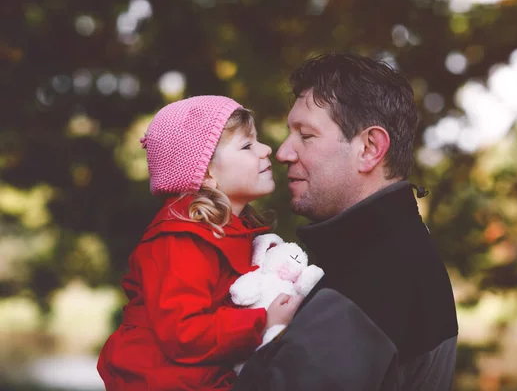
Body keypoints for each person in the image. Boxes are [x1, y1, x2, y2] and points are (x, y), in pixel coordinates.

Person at [233, 53, 459, 390]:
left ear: (369, 148)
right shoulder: (397, 253)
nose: (282, 153)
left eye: (305, 135)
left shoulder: (372, 281)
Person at [97, 96, 303, 390]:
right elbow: (183, 332)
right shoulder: (182, 239)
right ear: (206, 174)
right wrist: (263, 322)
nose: (266, 149)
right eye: (247, 146)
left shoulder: (231, 231)